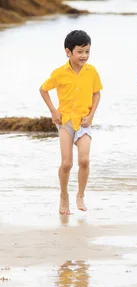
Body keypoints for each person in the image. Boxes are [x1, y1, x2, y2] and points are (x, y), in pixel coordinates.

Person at [39, 30, 102, 215]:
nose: (84, 56)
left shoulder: (91, 71)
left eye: (87, 51)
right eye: (80, 52)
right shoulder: (59, 73)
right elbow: (43, 90)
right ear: (68, 52)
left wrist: (91, 116)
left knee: (84, 160)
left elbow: (97, 93)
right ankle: (64, 196)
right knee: (67, 163)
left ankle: (80, 195)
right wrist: (53, 111)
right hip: (65, 122)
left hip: (84, 122)